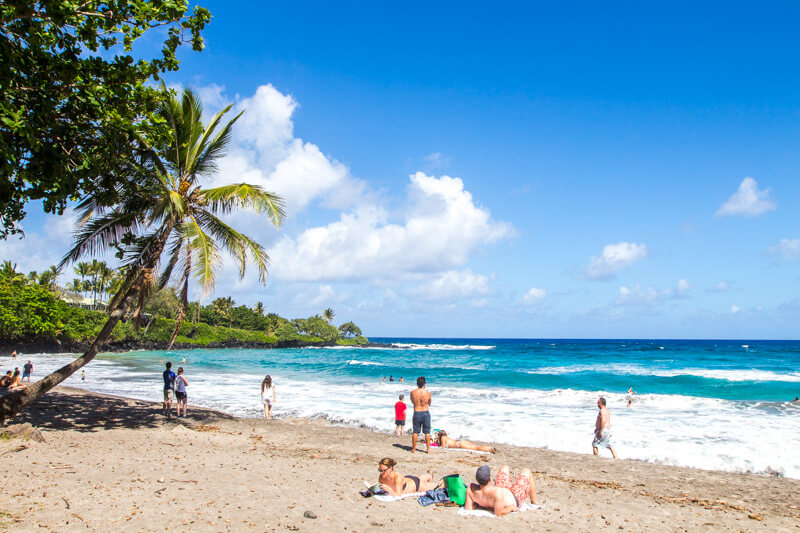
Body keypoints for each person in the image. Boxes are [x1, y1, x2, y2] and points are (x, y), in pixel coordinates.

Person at [465, 465, 537, 516]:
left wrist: (479, 505)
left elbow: (468, 508)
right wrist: (511, 507)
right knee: (527, 471)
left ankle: (534, 503)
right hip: (515, 497)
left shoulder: (471, 489)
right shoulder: (496, 493)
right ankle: (534, 503)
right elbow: (499, 513)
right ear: (489, 479)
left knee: (504, 467)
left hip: (501, 489)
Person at [410, 376, 432, 454]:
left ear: (417, 383)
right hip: (425, 412)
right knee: (427, 432)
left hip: (417, 412)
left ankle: (414, 449)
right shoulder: (428, 393)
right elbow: (429, 403)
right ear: (424, 384)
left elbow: (412, 401)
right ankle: (428, 449)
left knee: (415, 431)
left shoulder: (413, 392)